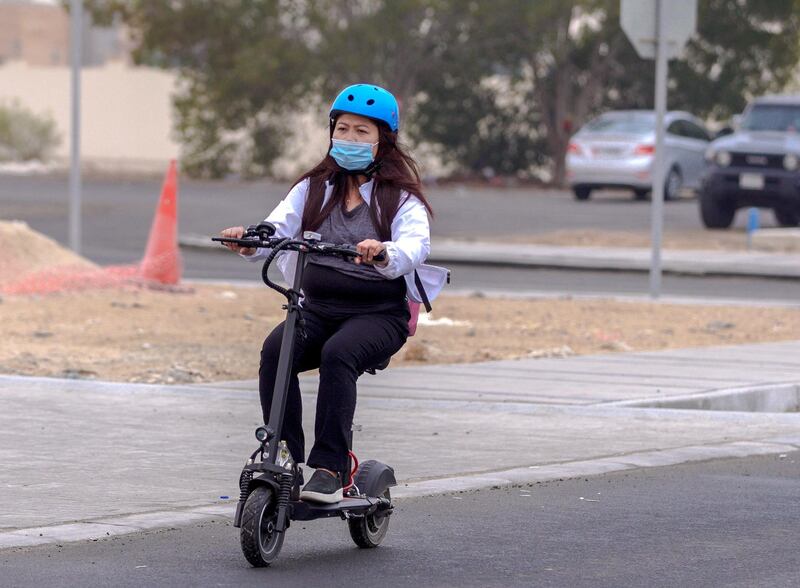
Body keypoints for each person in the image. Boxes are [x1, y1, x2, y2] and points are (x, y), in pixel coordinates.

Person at [220, 83, 448, 504]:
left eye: (363, 132)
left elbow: (416, 246)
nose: (349, 139)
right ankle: (283, 453)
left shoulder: (399, 199)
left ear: (384, 142)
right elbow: (277, 228)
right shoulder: (314, 188)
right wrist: (250, 240)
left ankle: (330, 467)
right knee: (277, 349)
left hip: (378, 315)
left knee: (337, 354)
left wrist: (384, 252)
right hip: (318, 309)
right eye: (342, 129)